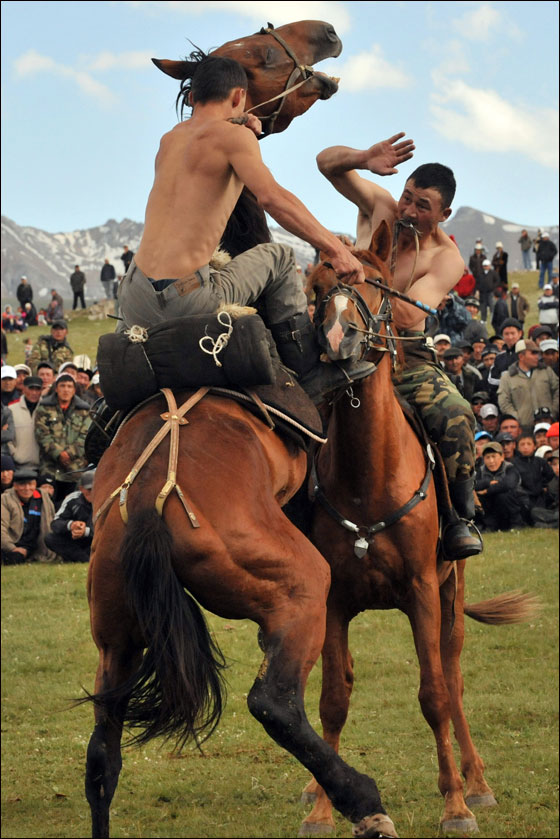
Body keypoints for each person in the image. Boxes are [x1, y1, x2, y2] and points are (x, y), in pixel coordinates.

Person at [117, 55, 373, 404]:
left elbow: (204, 165)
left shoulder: (168, 140)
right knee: (281, 256)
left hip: (134, 299)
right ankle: (310, 370)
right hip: (187, 296)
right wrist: (337, 249)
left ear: (191, 98)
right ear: (239, 96)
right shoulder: (235, 137)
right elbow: (273, 198)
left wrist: (240, 127)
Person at [316, 133, 482, 557]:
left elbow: (408, 315)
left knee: (456, 413)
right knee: (286, 404)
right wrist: (362, 158)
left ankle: (459, 520)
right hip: (343, 342)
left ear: (442, 214)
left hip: (406, 356)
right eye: (407, 196)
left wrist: (364, 283)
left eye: (421, 206)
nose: (407, 210)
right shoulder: (381, 207)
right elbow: (325, 162)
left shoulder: (446, 258)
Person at [33, 372, 92, 504]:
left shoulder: (84, 410)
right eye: (62, 386)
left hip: (74, 470)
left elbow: (85, 437)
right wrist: (58, 453)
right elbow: (42, 434)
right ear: (56, 388)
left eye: (69, 386)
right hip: (50, 467)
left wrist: (69, 454)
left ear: (74, 389)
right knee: (46, 505)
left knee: (71, 506)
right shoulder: (44, 407)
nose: (66, 390)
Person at [497, 338, 559, 429]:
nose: (537, 356)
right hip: (524, 429)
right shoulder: (507, 377)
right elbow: (504, 403)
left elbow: (557, 391)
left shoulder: (547, 371)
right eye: (533, 353)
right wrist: (518, 418)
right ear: (521, 356)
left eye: (537, 353)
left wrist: (552, 412)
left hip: (549, 426)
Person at [1, 468, 56, 564]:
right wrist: (12, 548)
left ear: (35, 485)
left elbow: (53, 521)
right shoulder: (5, 499)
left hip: (36, 545)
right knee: (14, 557)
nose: (27, 488)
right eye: (22, 484)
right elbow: (1, 527)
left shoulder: (44, 498)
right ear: (15, 486)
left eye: (30, 484)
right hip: (14, 543)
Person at [44, 470, 95, 563]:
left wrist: (86, 531)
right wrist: (71, 525)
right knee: (50, 538)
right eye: (89, 490)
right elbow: (55, 523)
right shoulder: (72, 499)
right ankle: (85, 559)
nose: (93, 493)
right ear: (81, 489)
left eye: (96, 489)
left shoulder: (106, 500)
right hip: (74, 540)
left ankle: (81, 558)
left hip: (94, 540)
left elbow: (109, 529)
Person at [474, 441, 525, 532]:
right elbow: (475, 485)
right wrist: (488, 483)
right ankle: (489, 526)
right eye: (487, 457)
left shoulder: (510, 468)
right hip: (492, 509)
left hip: (513, 508)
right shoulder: (481, 470)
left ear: (502, 457)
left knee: (504, 495)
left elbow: (508, 484)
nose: (491, 461)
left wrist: (487, 491)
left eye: (494, 456)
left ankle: (516, 524)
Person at [513, 431, 555, 525]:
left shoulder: (541, 462)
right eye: (522, 444)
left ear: (535, 446)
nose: (526, 447)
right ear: (517, 447)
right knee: (534, 512)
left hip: (541, 498)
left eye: (529, 444)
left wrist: (544, 486)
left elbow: (550, 476)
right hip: (524, 500)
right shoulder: (513, 464)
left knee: (542, 511)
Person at [9, 376, 42, 471]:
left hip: (43, 466)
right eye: (31, 388)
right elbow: (6, 437)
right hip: (18, 466)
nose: (34, 393)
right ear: (23, 388)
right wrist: (15, 454)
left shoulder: (47, 409)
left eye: (38, 389)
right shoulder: (11, 409)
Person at [487, 318, 524, 395]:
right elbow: (492, 381)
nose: (510, 337)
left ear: (520, 333)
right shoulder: (499, 358)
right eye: (506, 334)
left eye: (513, 333)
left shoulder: (527, 354)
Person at [477, 259, 500, 323]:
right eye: (484, 266)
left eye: (486, 266)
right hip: (482, 293)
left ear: (489, 266)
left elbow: (497, 281)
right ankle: (483, 320)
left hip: (490, 292)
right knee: (483, 307)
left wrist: (493, 287)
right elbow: (477, 282)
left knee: (492, 306)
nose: (485, 267)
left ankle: (493, 319)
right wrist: (479, 289)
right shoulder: (480, 273)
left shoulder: (493, 273)